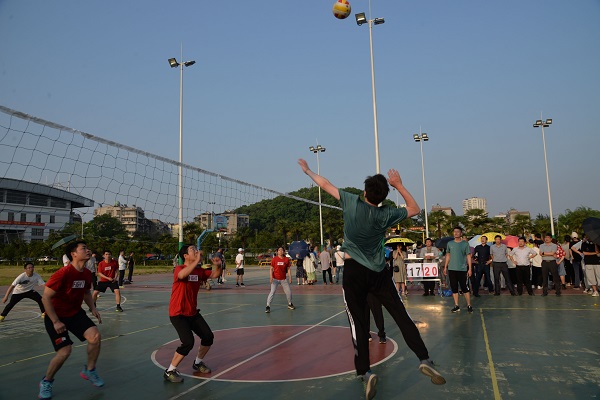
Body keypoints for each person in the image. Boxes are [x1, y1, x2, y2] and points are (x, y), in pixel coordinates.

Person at [298, 158, 445, 400]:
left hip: (354, 271)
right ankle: (424, 358)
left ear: (365, 192)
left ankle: (365, 372)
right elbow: (415, 208)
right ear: (384, 196)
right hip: (379, 272)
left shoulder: (351, 202)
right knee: (401, 315)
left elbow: (324, 184)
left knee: (358, 323)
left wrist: (307, 171)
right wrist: (399, 184)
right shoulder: (387, 213)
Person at [38, 241, 103, 400]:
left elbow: (86, 292)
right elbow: (45, 298)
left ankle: (90, 370)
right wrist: (56, 321)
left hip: (74, 313)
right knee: (65, 351)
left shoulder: (86, 273)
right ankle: (46, 381)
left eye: (87, 248)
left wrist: (93, 308)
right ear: (74, 254)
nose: (88, 250)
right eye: (83, 248)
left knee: (95, 336)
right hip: (56, 315)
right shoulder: (63, 273)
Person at [164, 246, 222, 383]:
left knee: (208, 337)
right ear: (185, 256)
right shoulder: (179, 268)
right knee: (188, 342)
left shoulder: (198, 271)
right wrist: (196, 261)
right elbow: (182, 275)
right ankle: (170, 371)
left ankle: (198, 362)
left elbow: (214, 275)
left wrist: (218, 266)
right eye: (192, 250)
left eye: (196, 249)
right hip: (178, 313)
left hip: (192, 312)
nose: (196, 251)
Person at [443, 227, 473, 313]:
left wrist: (470, 269)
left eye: (458, 232)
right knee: (454, 288)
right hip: (452, 269)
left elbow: (468, 256)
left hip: (462, 269)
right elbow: (448, 255)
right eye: (454, 232)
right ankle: (456, 305)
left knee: (464, 288)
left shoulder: (465, 244)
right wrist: (445, 267)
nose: (456, 233)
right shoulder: (450, 243)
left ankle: (469, 305)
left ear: (461, 233)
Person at [265, 247, 295, 312]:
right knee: (272, 292)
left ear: (284, 252)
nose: (281, 251)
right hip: (275, 279)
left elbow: (288, 269)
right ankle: (268, 306)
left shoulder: (286, 259)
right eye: (279, 250)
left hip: (283, 279)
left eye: (282, 250)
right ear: (277, 252)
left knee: (288, 292)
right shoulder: (274, 259)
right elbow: (271, 269)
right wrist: (271, 277)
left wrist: (290, 277)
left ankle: (290, 304)